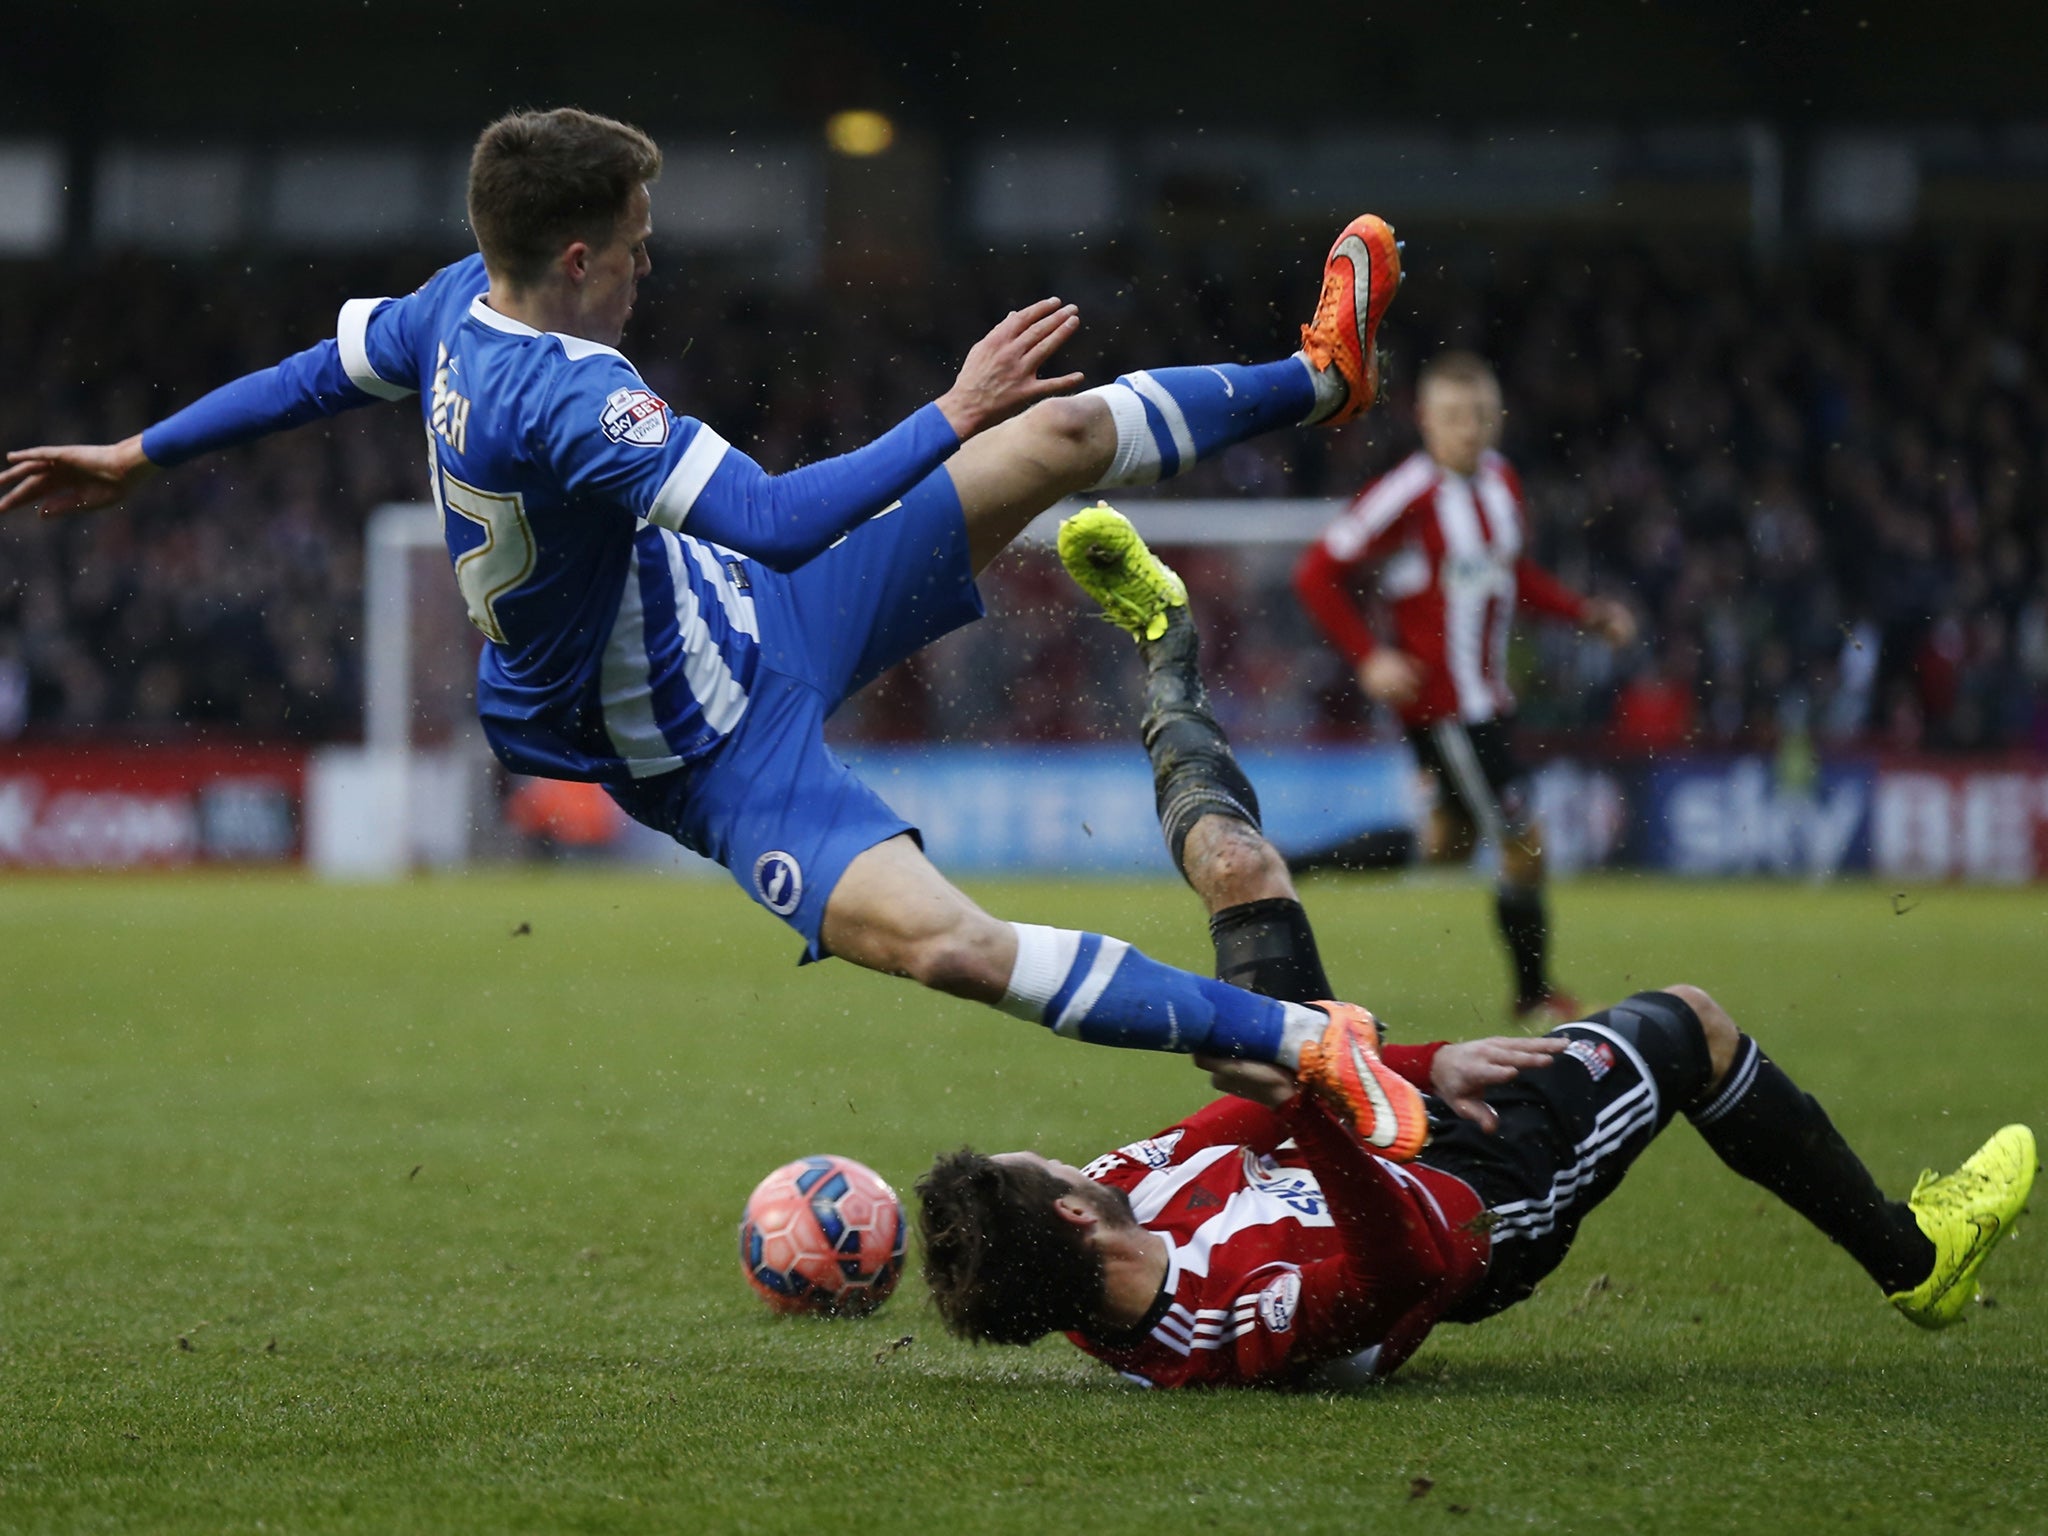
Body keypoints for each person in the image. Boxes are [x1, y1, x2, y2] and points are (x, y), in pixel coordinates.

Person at [0, 107, 1417, 1137]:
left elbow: (319, 368)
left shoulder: (453, 307)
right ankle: (1307, 1041)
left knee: (1053, 444)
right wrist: (946, 409)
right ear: (573, 256)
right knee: (951, 948)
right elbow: (780, 514)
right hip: (709, 748)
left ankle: (1318, 380)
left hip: (754, 616)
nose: (648, 268)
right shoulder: (567, 396)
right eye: (635, 247)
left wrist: (140, 454)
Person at [913, 517, 2035, 1387]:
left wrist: (1416, 1064)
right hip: (1474, 1200)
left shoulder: (1108, 1199)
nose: (1075, 1160)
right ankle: (1916, 1261)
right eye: (1052, 1169)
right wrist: (1322, 1098)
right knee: (1689, 1022)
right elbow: (1407, 1271)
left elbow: (1241, 1110)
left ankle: (1166, 649)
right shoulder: (1232, 1321)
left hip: (1360, 1125)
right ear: (1066, 1215)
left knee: (1243, 872)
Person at [1292, 350, 1637, 1023]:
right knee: (1524, 841)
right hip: (1446, 708)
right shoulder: (1407, 492)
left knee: (1446, 847)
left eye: (1479, 415)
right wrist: (1369, 658)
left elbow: (1515, 576)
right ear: (1424, 420)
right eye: (1453, 416)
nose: (1468, 429)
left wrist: (1583, 614)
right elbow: (1315, 573)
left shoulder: (1502, 484)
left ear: (1497, 420)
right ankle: (1535, 994)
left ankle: (1291, 865)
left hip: (1486, 701)